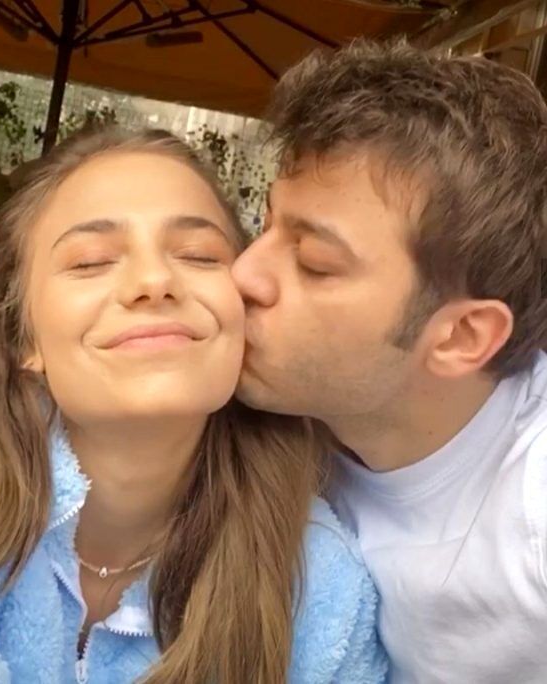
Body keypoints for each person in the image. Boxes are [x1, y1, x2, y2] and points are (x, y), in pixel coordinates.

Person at [0, 128, 386, 684]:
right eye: (91, 262)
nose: (155, 280)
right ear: (23, 337)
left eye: (198, 255)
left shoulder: (320, 584)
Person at [232, 39, 547, 684]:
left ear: (460, 336)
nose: (244, 274)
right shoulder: (257, 417)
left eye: (315, 263)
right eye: (264, 225)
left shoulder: (531, 513)